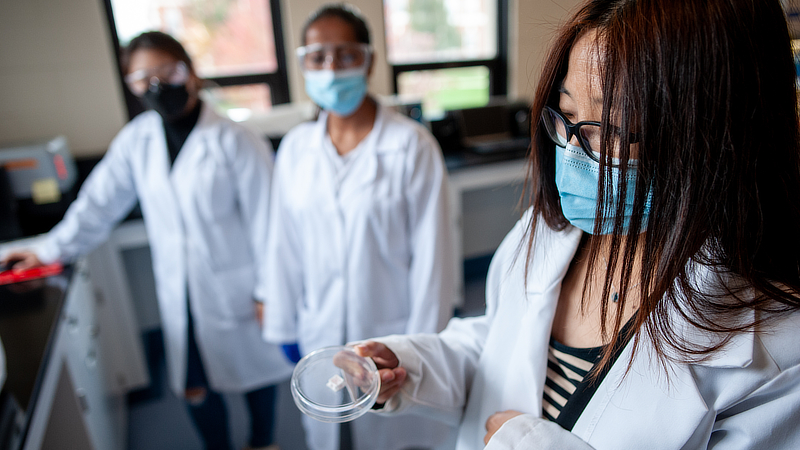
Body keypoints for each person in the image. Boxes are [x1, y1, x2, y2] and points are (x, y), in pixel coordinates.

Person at [354, 0, 800, 448]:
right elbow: (498, 344)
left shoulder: (778, 351)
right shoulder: (550, 233)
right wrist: (412, 365)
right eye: (567, 116)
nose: (572, 153)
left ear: (719, 133)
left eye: (613, 129)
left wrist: (527, 443)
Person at [1, 31, 293, 450]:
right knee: (194, 386)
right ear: (131, 85)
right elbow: (97, 205)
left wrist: (269, 292)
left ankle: (263, 442)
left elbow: (270, 224)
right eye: (143, 78)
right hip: (180, 294)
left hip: (240, 289)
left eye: (167, 72)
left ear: (190, 72)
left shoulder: (236, 140)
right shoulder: (137, 140)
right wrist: (48, 249)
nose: (156, 86)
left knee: (254, 374)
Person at [261, 4, 456, 450]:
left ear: (368, 60)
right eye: (318, 57)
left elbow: (434, 262)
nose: (331, 69)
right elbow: (283, 245)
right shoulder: (295, 149)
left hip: (390, 331)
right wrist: (284, 324)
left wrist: (417, 349)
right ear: (303, 65)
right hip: (319, 329)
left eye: (345, 55)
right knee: (331, 431)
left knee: (393, 433)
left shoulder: (411, 146)